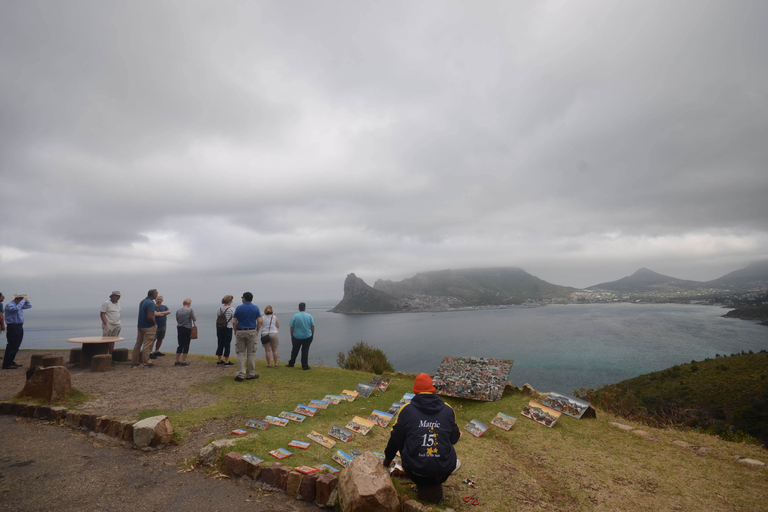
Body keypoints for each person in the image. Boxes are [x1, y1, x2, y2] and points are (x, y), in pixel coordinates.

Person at [383, 373, 461, 504]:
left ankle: (425, 485)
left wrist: (386, 463)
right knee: (457, 462)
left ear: (415, 391)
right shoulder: (448, 410)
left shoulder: (406, 410)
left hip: (415, 471)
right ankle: (436, 486)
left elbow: (395, 438)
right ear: (433, 389)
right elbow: (454, 439)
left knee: (402, 435)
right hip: (443, 471)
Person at [232, 292, 261, 382]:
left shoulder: (239, 308)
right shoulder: (255, 308)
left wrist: (235, 331)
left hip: (240, 331)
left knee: (240, 353)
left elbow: (234, 322)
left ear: (244, 298)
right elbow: (259, 321)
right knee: (251, 353)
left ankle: (241, 374)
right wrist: (257, 331)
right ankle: (250, 374)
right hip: (252, 331)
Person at [3, 294, 32, 370]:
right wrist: (22, 301)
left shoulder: (18, 305)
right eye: (21, 300)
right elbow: (15, 309)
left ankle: (11, 361)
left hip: (19, 326)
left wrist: (27, 300)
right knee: (12, 344)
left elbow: (29, 306)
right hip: (13, 326)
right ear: (18, 299)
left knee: (16, 345)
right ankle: (7, 363)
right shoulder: (10, 305)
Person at [131, 289, 158, 367]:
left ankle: (134, 360)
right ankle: (146, 361)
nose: (156, 296)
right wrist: (154, 323)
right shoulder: (151, 303)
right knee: (147, 344)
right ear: (153, 295)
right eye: (156, 294)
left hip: (140, 325)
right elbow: (149, 316)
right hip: (148, 326)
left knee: (138, 343)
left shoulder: (143, 301)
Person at [287, 302, 314, 370]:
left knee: (295, 350)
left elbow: (292, 327)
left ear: (298, 308)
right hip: (307, 336)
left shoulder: (295, 316)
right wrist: (312, 334)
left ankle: (291, 363)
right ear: (305, 308)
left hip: (296, 336)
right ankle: (305, 365)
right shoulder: (309, 316)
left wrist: (292, 334)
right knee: (305, 350)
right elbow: (312, 326)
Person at [174, 298, 197, 366]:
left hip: (180, 327)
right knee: (186, 344)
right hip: (187, 328)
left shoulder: (178, 311)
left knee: (180, 344)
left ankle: (177, 360)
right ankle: (183, 360)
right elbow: (194, 319)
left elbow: (177, 319)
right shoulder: (190, 310)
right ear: (189, 304)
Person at [215, 295, 235, 366]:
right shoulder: (231, 309)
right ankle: (227, 361)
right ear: (230, 301)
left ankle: (219, 360)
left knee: (220, 343)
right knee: (227, 344)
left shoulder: (219, 309)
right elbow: (234, 318)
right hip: (228, 327)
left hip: (219, 328)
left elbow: (218, 317)